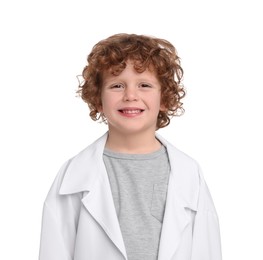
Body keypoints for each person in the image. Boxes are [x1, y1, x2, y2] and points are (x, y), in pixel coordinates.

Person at [39, 33, 222, 260]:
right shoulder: (73, 175)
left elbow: (206, 249)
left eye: (144, 85)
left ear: (164, 98)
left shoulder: (189, 173)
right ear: (98, 100)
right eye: (117, 85)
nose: (131, 95)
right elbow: (54, 250)